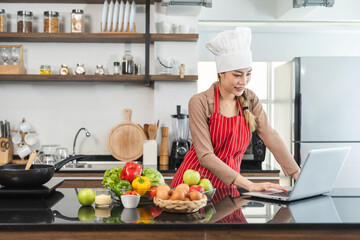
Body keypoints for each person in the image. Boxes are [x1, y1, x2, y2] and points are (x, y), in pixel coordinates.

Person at [170, 27, 301, 192]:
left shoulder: (250, 99)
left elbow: (270, 135)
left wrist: (297, 173)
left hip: (230, 185)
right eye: (237, 75)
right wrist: (248, 184)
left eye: (248, 74)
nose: (244, 81)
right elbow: (205, 156)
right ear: (221, 73)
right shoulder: (200, 102)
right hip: (193, 188)